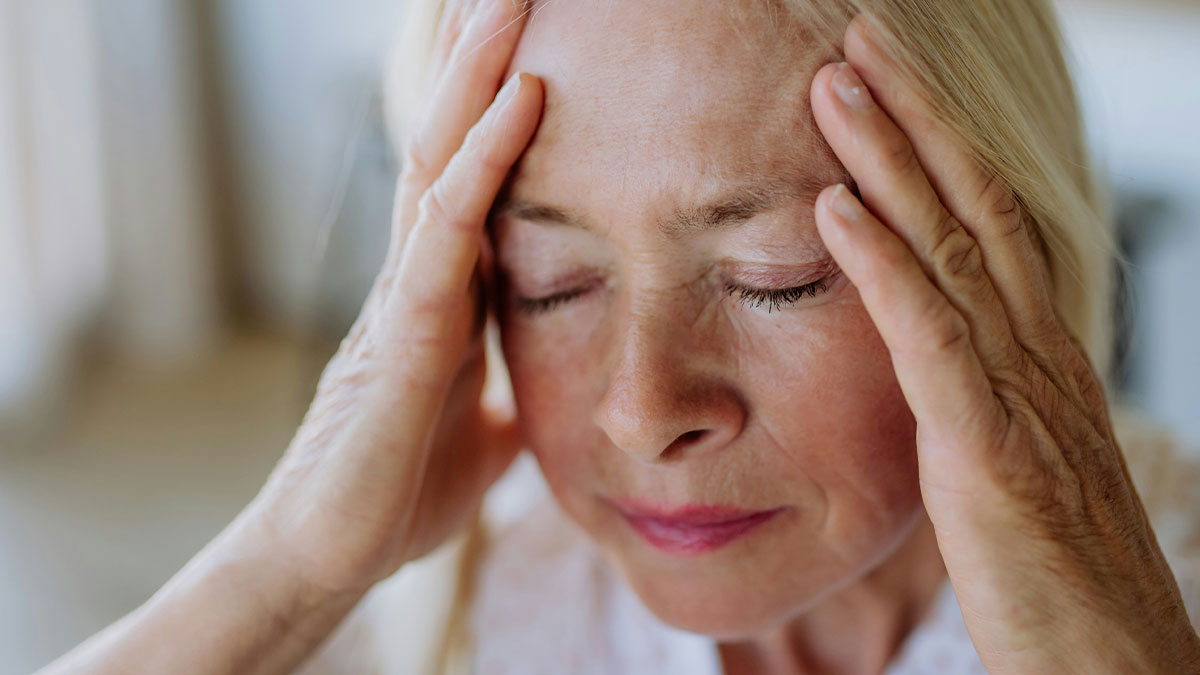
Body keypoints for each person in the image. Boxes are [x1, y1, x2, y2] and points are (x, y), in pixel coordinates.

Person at [41, 0, 1200, 673]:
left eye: (776, 279)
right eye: (549, 283)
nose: (642, 412)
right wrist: (288, 571)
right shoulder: (504, 585)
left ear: (1007, 258)